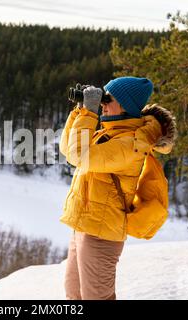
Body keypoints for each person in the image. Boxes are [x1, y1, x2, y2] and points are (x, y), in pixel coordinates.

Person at [59, 76, 177, 300]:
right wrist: (80, 110)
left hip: (101, 236)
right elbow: (68, 148)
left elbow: (79, 156)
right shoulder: (109, 133)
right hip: (84, 226)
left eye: (107, 98)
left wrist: (89, 113)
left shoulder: (131, 144)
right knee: (74, 296)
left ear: (125, 106)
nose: (102, 103)